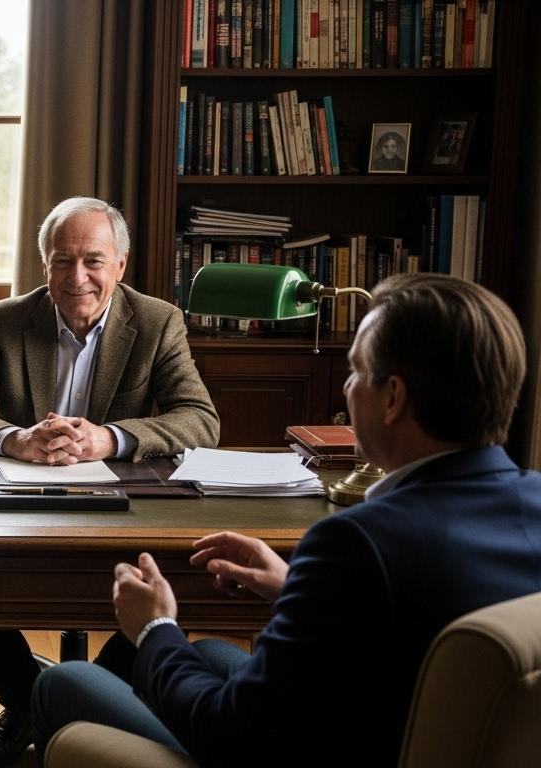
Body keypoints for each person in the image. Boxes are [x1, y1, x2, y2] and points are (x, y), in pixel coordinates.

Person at [30, 273, 541, 767]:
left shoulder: (356, 543)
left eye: (356, 371)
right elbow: (417, 619)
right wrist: (299, 586)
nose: (346, 388)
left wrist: (155, 626)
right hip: (391, 727)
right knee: (208, 653)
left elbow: (226, 735)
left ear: (394, 399)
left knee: (62, 683)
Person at [0, 196, 220, 766]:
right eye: (63, 261)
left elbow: (199, 419)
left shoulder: (157, 321)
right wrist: (16, 439)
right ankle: (30, 701)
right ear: (45, 267)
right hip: (19, 503)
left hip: (125, 511)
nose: (77, 277)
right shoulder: (6, 320)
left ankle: (58, 705)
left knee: (158, 594)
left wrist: (111, 438)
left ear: (120, 266)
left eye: (93, 260)